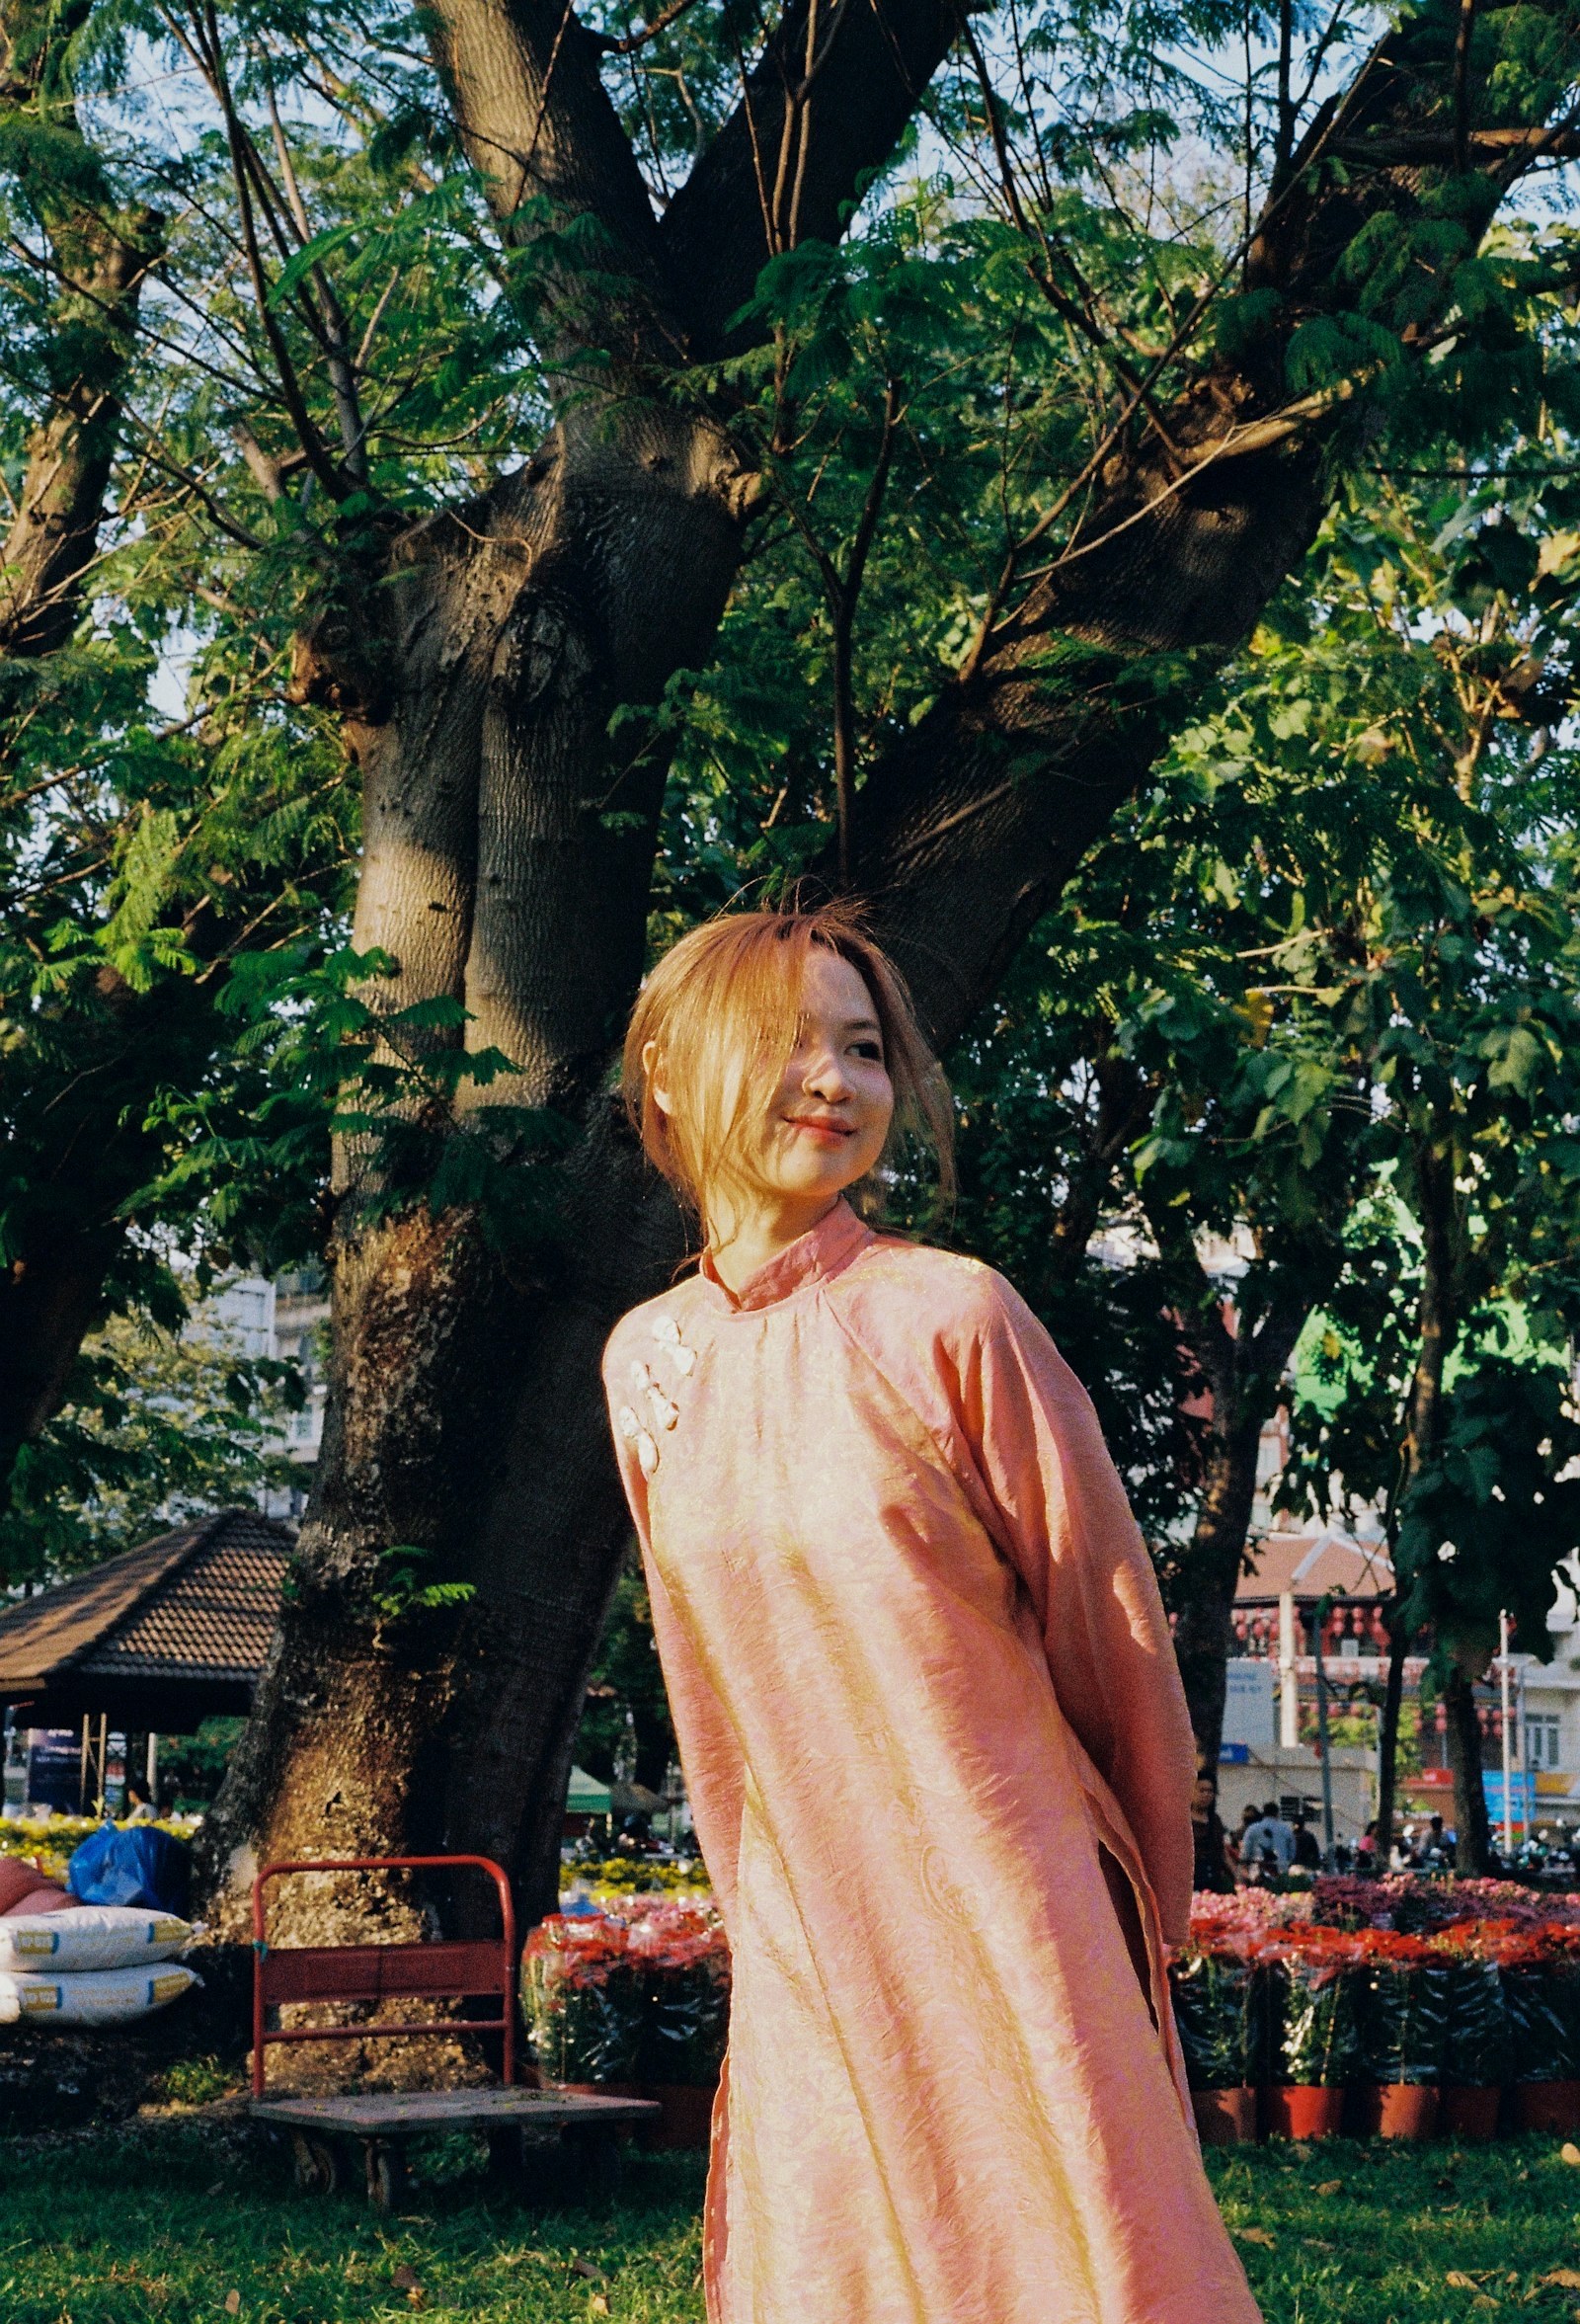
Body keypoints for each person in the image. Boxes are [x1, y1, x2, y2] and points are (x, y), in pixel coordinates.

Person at [603, 904, 1261, 2324]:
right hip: (804, 1911)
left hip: (1011, 1893)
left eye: (861, 1047)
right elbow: (701, 1679)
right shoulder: (645, 1363)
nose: (837, 1080)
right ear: (666, 1073)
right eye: (786, 1044)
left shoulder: (951, 1316)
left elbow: (1110, 1622)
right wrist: (755, 1902)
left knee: (1067, 2258)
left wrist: (1147, 1890)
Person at [1192, 1770, 1237, 1894]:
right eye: (1202, 1790)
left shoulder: (1215, 1820)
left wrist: (1236, 1875)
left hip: (1214, 1881)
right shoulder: (1183, 1820)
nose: (1206, 1795)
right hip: (1190, 1881)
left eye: (1210, 1791)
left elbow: (1222, 1851)